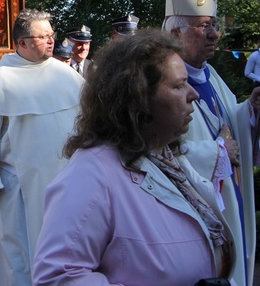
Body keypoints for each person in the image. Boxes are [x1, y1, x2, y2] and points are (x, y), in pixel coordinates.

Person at [33, 29, 235, 284]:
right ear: (138, 98)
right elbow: (58, 276)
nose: (193, 94)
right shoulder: (92, 174)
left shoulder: (166, 159)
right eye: (178, 85)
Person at [164, 0, 260, 286]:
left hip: (228, 197)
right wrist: (217, 154)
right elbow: (153, 154)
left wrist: (250, 109)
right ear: (175, 33)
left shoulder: (211, 75)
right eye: (202, 26)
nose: (214, 34)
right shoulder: (159, 82)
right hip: (192, 214)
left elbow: (230, 124)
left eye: (213, 25)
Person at [0, 9, 85, 286]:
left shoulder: (67, 75)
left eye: (51, 35)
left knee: (66, 254)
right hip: (17, 188)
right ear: (22, 42)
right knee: (19, 260)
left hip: (65, 184)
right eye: (42, 36)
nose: (51, 40)